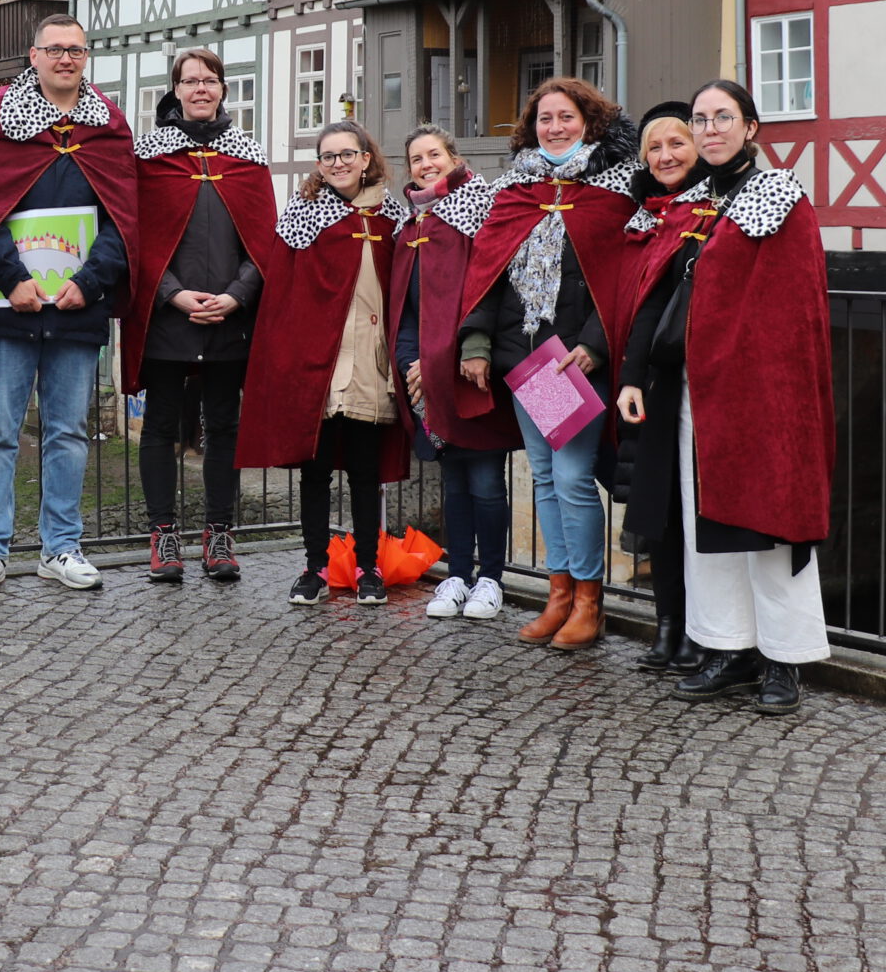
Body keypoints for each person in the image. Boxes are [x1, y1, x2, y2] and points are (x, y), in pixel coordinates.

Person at [621, 79, 834, 715]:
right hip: (692, 391)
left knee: (765, 526)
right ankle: (728, 647)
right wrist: (635, 374)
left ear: (751, 129)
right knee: (702, 529)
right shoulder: (690, 203)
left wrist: (754, 374)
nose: (710, 129)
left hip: (757, 394)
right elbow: (658, 294)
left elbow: (791, 307)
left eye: (723, 118)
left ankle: (784, 660)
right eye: (701, 119)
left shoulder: (778, 199)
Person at [457, 78, 640, 649]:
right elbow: (489, 269)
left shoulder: (612, 192)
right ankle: (558, 594)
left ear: (589, 121)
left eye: (565, 117)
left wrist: (595, 343)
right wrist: (477, 344)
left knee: (571, 477)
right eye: (544, 118)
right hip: (522, 356)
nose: (554, 127)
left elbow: (617, 278)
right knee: (542, 477)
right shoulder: (515, 189)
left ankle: (588, 599)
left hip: (570, 362)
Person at [0, 14, 137, 597]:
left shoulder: (108, 126)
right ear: (33, 55)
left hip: (77, 304)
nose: (66, 58)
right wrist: (11, 278)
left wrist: (90, 281)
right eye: (55, 49)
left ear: (86, 57)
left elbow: (124, 217)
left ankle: (61, 546)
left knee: (67, 431)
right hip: (9, 305)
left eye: (76, 50)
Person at [240, 121, 411, 606]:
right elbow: (283, 299)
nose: (338, 163)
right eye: (329, 156)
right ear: (319, 165)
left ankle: (368, 568)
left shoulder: (392, 218)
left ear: (365, 159)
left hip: (371, 364)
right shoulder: (304, 216)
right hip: (318, 366)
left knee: (364, 470)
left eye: (347, 154)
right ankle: (314, 567)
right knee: (315, 473)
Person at [119, 50, 273, 584]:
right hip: (169, 315)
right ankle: (163, 534)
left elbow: (264, 244)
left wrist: (237, 296)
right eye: (190, 81)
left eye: (210, 81)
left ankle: (219, 532)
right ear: (176, 90)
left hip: (231, 315)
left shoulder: (248, 159)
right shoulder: (151, 158)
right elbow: (134, 238)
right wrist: (172, 295)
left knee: (224, 425)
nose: (201, 89)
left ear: (224, 89)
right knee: (160, 424)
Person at [391, 127, 521, 623]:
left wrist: (437, 358)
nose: (425, 164)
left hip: (469, 369)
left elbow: (481, 294)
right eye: (416, 158)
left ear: (453, 158)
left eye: (433, 155)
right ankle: (457, 573)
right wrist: (411, 362)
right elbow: (405, 308)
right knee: (454, 483)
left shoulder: (479, 211)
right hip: (425, 376)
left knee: (487, 480)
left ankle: (491, 577)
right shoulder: (411, 225)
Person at [610, 103, 711, 676]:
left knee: (695, 512)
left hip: (692, 383)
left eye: (677, 144)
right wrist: (628, 377)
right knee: (662, 512)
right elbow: (642, 307)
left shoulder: (708, 210)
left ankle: (700, 629)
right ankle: (669, 624)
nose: (666, 155)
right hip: (652, 382)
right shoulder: (646, 215)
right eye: (655, 147)